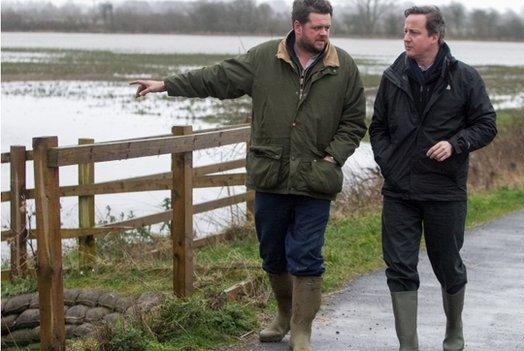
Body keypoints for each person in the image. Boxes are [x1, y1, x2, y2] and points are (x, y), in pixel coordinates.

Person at [130, 1, 366, 349]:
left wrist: (334, 157)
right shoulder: (264, 59)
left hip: (316, 180)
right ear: (297, 26)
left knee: (307, 254)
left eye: (328, 27)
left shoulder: (342, 66)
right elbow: (217, 77)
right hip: (270, 176)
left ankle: (302, 329)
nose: (324, 34)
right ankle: (284, 315)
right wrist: (166, 83)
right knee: (272, 253)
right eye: (318, 27)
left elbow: (354, 122)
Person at [369, 5, 497, 351]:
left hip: (445, 191)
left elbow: (486, 125)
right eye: (405, 31)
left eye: (413, 32)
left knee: (447, 264)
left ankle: (454, 331)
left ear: (434, 37)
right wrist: (389, 163)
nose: (405, 37)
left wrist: (456, 144)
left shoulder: (465, 78)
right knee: (399, 266)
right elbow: (377, 128)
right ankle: (408, 345)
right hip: (399, 191)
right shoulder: (393, 76)